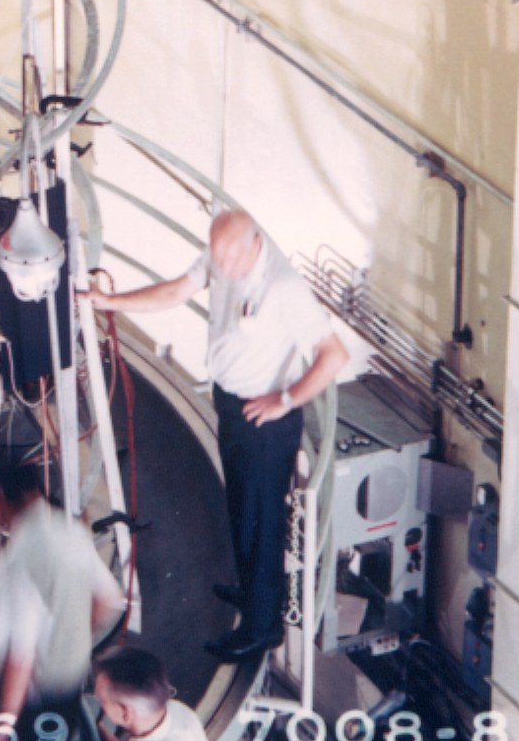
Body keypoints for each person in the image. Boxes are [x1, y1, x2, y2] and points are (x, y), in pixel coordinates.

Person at [92, 209, 362, 661]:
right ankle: (253, 594)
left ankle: (262, 627)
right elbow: (178, 290)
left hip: (265, 421)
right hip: (233, 404)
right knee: (243, 510)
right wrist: (110, 302)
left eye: (228, 259)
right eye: (216, 257)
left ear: (254, 244)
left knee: (262, 520)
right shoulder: (224, 257)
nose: (222, 268)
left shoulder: (283, 287)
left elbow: (333, 355)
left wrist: (288, 399)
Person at [0, 445, 127, 741]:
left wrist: (4, 723)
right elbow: (109, 600)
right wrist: (72, 638)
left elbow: (20, 654)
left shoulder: (21, 558)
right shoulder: (70, 532)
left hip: (29, 700)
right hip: (68, 685)